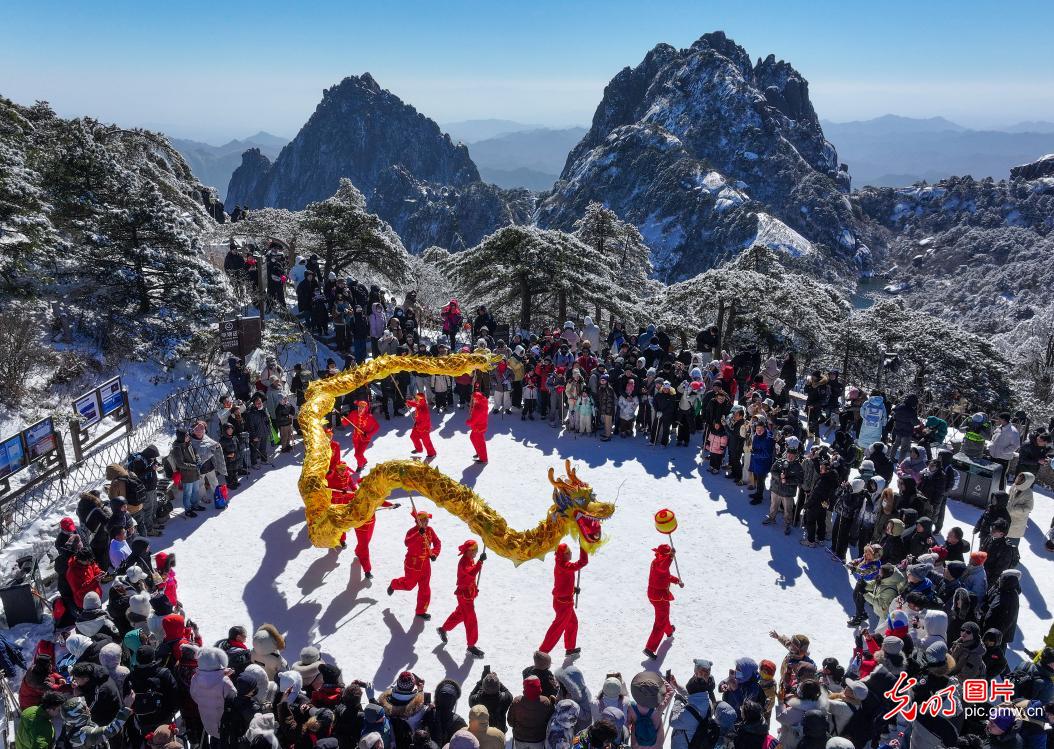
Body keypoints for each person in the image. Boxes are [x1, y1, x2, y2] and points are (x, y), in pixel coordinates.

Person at [388, 512, 442, 620]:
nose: (426, 522)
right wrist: (418, 533)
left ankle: (421, 611)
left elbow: (437, 542)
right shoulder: (412, 531)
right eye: (424, 520)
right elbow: (407, 542)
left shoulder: (430, 530)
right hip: (413, 564)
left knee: (425, 588)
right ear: (417, 521)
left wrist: (434, 553)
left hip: (425, 565)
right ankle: (394, 584)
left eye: (427, 520)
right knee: (409, 586)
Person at [437, 540, 486, 658]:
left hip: (467, 595)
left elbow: (470, 579)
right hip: (465, 597)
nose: (476, 552)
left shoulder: (469, 559)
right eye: (474, 550)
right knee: (471, 620)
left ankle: (443, 629)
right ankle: (471, 646)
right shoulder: (464, 562)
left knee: (460, 614)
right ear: (468, 551)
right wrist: (480, 562)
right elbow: (471, 573)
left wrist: (474, 589)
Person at [538, 544, 588, 656]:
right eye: (568, 552)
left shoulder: (561, 564)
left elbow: (563, 582)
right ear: (564, 555)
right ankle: (543, 652)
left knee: (572, 623)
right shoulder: (565, 565)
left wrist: (573, 589)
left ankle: (570, 648)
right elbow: (582, 562)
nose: (571, 553)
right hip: (564, 604)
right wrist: (584, 547)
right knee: (557, 628)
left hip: (562, 601)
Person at [643, 544, 683, 659]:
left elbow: (665, 575)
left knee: (663, 617)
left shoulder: (656, 561)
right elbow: (664, 568)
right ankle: (649, 648)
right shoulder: (662, 563)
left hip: (653, 595)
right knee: (660, 622)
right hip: (660, 598)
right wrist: (671, 557)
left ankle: (669, 631)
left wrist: (677, 581)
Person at [344, 400, 380, 472]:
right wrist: (343, 419)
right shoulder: (353, 413)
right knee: (359, 454)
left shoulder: (369, 417)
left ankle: (360, 465)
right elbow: (345, 423)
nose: (360, 409)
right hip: (356, 438)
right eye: (359, 407)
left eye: (362, 407)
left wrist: (369, 434)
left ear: (365, 408)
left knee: (357, 455)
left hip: (365, 439)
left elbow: (377, 427)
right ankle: (364, 460)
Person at [987, 413, 1020, 490]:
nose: (998, 420)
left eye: (999, 419)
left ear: (1004, 420)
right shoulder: (999, 428)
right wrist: (991, 446)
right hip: (993, 456)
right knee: (991, 475)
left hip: (1003, 459)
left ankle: (1001, 494)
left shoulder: (1013, 431)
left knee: (1001, 477)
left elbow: (1016, 445)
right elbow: (993, 439)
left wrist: (1004, 451)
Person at [406, 393, 437, 459]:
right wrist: (407, 402)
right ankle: (419, 449)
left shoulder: (423, 409)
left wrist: (418, 425)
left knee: (426, 442)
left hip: (424, 428)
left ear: (420, 399)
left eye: (416, 398)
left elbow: (425, 421)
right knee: (413, 436)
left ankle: (432, 453)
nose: (415, 399)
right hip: (417, 425)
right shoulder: (420, 404)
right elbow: (414, 404)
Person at [467, 387, 490, 464]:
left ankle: (483, 458)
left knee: (480, 442)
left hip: (478, 427)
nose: (473, 400)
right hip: (480, 426)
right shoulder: (481, 403)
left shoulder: (479, 408)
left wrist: (468, 422)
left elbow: (474, 420)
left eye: (474, 399)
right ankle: (479, 452)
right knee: (472, 437)